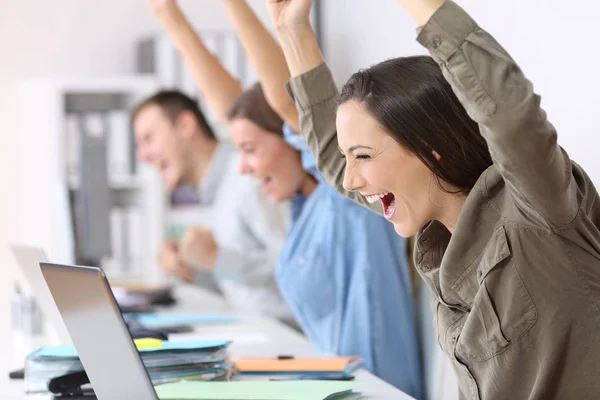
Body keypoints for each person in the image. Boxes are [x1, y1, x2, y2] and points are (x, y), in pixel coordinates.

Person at [269, 0, 600, 398]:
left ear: (430, 148)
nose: (352, 179)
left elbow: (511, 115)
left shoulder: (535, 210)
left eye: (363, 155)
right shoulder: (435, 235)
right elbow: (331, 161)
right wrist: (293, 32)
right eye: (347, 157)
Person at [219, 1, 422, 396]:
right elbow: (232, 107)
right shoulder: (305, 210)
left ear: (295, 140)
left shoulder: (349, 198)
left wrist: (279, 24)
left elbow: (285, 103)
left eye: (250, 149)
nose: (241, 169)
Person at [132, 90, 292, 323]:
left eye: (148, 138)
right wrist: (190, 267)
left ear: (186, 126)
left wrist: (216, 258)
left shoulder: (247, 176)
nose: (142, 156)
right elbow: (250, 292)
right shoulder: (213, 197)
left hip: (299, 345)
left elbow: (297, 267)